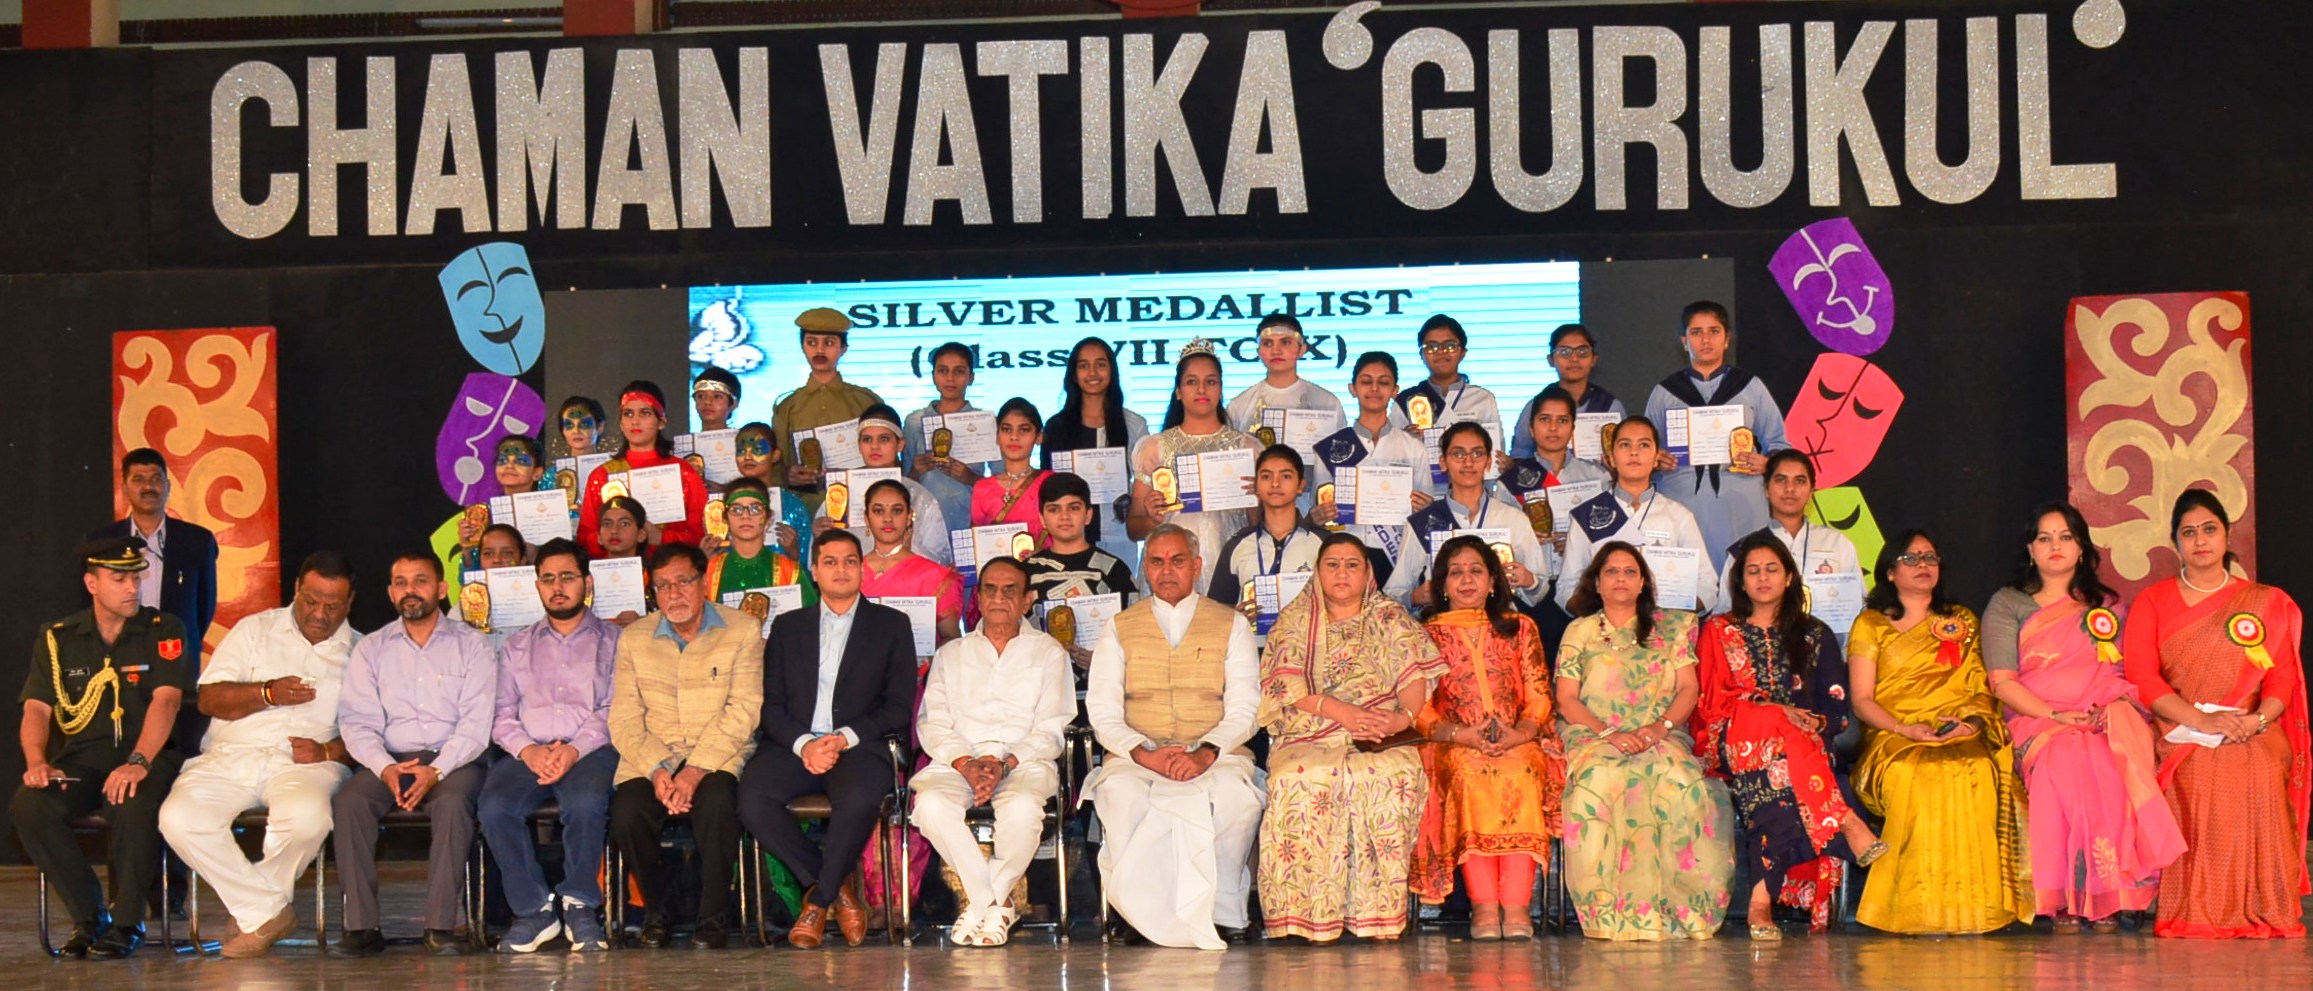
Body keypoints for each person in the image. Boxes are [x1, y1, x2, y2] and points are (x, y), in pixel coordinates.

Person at [1982, 503, 2184, 932]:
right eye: (2044, 538)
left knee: (2109, 759)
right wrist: (2056, 714)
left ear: (2081, 547)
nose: (2055, 546)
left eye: (2065, 537)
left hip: (2100, 716)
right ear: (2030, 549)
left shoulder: (2108, 606)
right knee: (2066, 760)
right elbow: (2002, 683)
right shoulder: (2007, 603)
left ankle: (2112, 894)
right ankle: (2068, 898)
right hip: (2037, 720)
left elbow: (2124, 672)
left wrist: (2107, 707)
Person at [2122, 489, 2310, 938]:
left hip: (2251, 724)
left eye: (2209, 529)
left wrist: (2256, 720)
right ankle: (2195, 910)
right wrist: (2201, 721)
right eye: (2188, 532)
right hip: (2178, 725)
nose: (2200, 540)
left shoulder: (2265, 602)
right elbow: (2142, 677)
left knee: (2259, 765)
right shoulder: (2153, 601)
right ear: (2175, 543)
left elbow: (2281, 678)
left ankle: (2264, 907)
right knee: (2202, 770)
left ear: (2227, 535)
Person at [156, 551, 358, 959]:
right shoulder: (254, 630)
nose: (320, 614)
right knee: (178, 818)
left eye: (333, 606)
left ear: (350, 602)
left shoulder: (364, 650)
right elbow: (209, 699)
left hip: (307, 763)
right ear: (296, 590)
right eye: (311, 601)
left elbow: (374, 733)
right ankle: (265, 911)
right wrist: (267, 693)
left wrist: (327, 749)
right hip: (231, 754)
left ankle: (254, 913)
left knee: (308, 817)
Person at [1693, 533, 1885, 939]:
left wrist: (1815, 724)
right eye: (1753, 571)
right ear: (1740, 581)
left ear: (1789, 577)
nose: (1763, 578)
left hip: (1800, 749)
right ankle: (1844, 819)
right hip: (1734, 740)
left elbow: (1837, 709)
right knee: (1775, 728)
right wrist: (1776, 711)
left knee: (1777, 778)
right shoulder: (1718, 630)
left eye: (1771, 569)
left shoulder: (1814, 633)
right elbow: (1711, 700)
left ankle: (1760, 903)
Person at [11, 537, 196, 959]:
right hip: (85, 758)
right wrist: (38, 763)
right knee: (31, 806)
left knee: (132, 800)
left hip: (149, 756)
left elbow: (167, 700)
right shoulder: (59, 638)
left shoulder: (163, 629)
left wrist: (138, 761)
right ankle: (91, 917)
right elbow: (37, 707)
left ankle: (128, 923)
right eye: (119, 579)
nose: (133, 588)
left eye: (136, 578)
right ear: (91, 584)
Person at [1084, 524, 1265, 949]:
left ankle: (1224, 913)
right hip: (1139, 755)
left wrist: (1206, 752)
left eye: (1178, 560)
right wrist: (1143, 753)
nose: (1167, 570)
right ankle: (1139, 914)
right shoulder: (1118, 627)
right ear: (1145, 568)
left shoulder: (1232, 624)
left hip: (1216, 752)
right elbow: (1102, 711)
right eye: (1157, 561)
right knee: (1121, 796)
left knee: (1235, 799)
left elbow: (1246, 707)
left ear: (1197, 566)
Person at [1256, 534, 1443, 942]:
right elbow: (1286, 686)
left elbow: (1414, 676)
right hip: (1310, 731)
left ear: (1367, 572)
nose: (1342, 573)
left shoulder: (1390, 617)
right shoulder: (1295, 620)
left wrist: (1398, 720)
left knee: (1387, 776)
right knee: (1299, 778)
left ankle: (1377, 916)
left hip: (1379, 731)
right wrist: (1343, 713)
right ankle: (1302, 918)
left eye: (1352, 564)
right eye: (1332, 564)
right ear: (1318, 572)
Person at [740, 530, 919, 950]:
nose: (841, 569)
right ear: (815, 571)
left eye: (850, 561)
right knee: (751, 799)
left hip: (860, 745)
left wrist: (842, 739)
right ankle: (837, 888)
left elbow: (898, 706)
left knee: (858, 798)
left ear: (862, 569)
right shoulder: (788, 627)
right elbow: (770, 705)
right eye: (831, 562)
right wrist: (805, 744)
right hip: (795, 744)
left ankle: (818, 902)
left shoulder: (892, 625)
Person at [1847, 530, 2032, 935]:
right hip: (1893, 736)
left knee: (1976, 769)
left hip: (1956, 732)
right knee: (1916, 774)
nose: (1923, 566)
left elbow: (1980, 689)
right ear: (1890, 572)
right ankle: (1914, 910)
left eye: (1930, 557)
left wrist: (1970, 724)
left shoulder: (1961, 620)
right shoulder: (1870, 623)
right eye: (1911, 559)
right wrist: (1904, 728)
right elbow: (1861, 701)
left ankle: (1976, 910)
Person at [1553, 541, 1735, 941]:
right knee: (1599, 782)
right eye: (1611, 572)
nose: (1620, 579)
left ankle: (1678, 912)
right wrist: (1610, 734)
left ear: (1642, 583)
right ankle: (1611, 913)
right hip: (1594, 735)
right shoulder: (1579, 630)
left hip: (1660, 734)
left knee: (1679, 783)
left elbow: (1688, 689)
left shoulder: (1670, 629)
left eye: (1629, 572)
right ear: (1596, 583)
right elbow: (1566, 699)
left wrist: (1659, 728)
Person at [329, 551, 496, 957]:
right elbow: (357, 722)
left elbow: (476, 725)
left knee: (452, 805)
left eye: (420, 581)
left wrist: (436, 771)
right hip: (391, 759)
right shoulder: (371, 648)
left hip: (454, 760)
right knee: (349, 803)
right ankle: (362, 928)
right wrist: (384, 767)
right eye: (400, 583)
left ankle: (440, 926)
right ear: (390, 593)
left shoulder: (473, 645)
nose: (410, 590)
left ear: (441, 589)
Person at [909, 556, 1075, 947]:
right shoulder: (952, 654)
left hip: (1025, 762)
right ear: (979, 598)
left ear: (1028, 600)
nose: (999, 598)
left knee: (1022, 809)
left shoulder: (1049, 652)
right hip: (958, 761)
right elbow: (932, 723)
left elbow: (1052, 727)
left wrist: (1005, 763)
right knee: (929, 806)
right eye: (990, 589)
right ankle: (995, 903)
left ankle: (982, 905)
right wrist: (966, 763)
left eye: (1010, 590)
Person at [607, 542, 763, 949]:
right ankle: (658, 909)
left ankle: (713, 915)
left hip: (717, 754)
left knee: (717, 804)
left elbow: (744, 711)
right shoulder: (634, 638)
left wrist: (695, 769)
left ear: (704, 582)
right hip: (652, 754)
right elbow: (624, 718)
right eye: (663, 586)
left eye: (683, 582)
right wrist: (657, 769)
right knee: (627, 812)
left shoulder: (742, 629)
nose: (673, 594)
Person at [1409, 536, 1564, 940]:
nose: (1466, 580)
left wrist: (1520, 733)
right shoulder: (1424, 635)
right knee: (1469, 775)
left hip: (1518, 739)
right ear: (1442, 585)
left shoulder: (1520, 627)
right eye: (1456, 572)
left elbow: (1539, 696)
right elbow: (1417, 708)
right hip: (1452, 743)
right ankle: (1483, 906)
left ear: (1493, 581)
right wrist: (1460, 735)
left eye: (1476, 571)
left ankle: (1515, 905)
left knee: (1522, 772)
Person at [478, 538, 621, 954]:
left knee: (586, 803)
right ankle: (534, 910)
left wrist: (573, 750)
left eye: (567, 577)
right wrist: (529, 751)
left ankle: (580, 905)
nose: (558, 587)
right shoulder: (516, 646)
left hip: (592, 750)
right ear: (537, 585)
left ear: (587, 583)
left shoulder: (614, 641)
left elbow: (615, 707)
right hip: (529, 752)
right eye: (548, 579)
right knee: (494, 807)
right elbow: (501, 713)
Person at [1645, 302, 1787, 572]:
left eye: (1714, 331)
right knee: (1683, 577)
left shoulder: (1751, 387)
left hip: (1741, 501)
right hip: (1681, 499)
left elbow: (1779, 443)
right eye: (1696, 332)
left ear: (1727, 338)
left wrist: (1768, 463)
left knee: (1744, 577)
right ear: (1684, 340)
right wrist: (1656, 459)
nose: (1706, 340)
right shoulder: (1665, 393)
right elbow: (1646, 448)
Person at [1128, 342, 1263, 594]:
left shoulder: (1248, 448)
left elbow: (1259, 530)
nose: (1201, 389)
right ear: (1178, 391)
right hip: (1171, 567)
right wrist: (1152, 518)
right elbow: (1134, 530)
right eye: (1192, 382)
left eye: (1210, 382)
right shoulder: (1154, 447)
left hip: (1230, 563)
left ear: (1220, 389)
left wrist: (1256, 500)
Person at [1558, 416, 1720, 614]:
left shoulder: (1679, 516)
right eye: (1625, 445)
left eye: (1644, 445)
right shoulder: (1587, 515)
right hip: (1603, 627)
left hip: (1662, 627)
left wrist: (1668, 617)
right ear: (1610, 458)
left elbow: (1707, 585)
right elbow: (1567, 588)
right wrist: (1605, 615)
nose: (1634, 452)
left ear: (1656, 458)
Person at [1383, 421, 1549, 613]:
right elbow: (1392, 593)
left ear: (1488, 462)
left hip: (1499, 624)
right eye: (1458, 454)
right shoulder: (1421, 522)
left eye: (1477, 454)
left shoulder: (1514, 519)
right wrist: (1415, 597)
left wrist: (1529, 581)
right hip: (1441, 625)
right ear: (1443, 462)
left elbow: (1540, 591)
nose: (1468, 462)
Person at [87, 447, 218, 688]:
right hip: (117, 653)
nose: (148, 487)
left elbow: (204, 606)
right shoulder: (101, 541)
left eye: (156, 479)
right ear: (125, 488)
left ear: (168, 486)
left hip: (177, 655)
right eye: (138, 479)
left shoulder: (197, 540)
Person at [1499, 385, 1613, 656]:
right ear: (1531, 428)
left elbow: (1610, 540)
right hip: (1533, 589)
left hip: (1583, 588)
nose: (1553, 428)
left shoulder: (1597, 478)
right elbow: (1503, 543)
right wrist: (1527, 540)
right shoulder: (1510, 482)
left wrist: (1577, 542)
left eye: (1562, 420)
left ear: (1573, 428)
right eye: (1544, 420)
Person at [1310, 351, 1433, 581]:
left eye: (1383, 382)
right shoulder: (1331, 448)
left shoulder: (1414, 448)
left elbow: (1425, 513)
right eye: (1366, 381)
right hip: (1347, 557)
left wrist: (1426, 509)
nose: (1374, 388)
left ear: (1395, 390)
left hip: (1399, 557)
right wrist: (1318, 515)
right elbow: (1321, 510)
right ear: (1353, 389)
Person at [1041, 336, 1151, 569]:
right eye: (1084, 366)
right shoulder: (1056, 427)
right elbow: (1048, 486)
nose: (1092, 373)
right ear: (1074, 374)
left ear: (1112, 370)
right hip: (1069, 537)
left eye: (1100, 364)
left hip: (1121, 536)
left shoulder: (1134, 425)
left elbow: (1145, 482)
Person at [1717, 450, 1863, 623]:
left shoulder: (1837, 544)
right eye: (1781, 480)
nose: (1790, 489)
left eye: (1799, 481)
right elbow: (1724, 615)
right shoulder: (1744, 550)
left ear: (1811, 491)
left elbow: (1859, 608)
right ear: (1766, 489)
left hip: (1824, 638)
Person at [1208, 445, 1328, 644]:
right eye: (1266, 476)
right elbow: (1215, 610)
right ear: (1256, 486)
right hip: (1252, 651)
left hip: (1309, 650)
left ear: (1301, 485)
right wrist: (1234, 617)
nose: (1275, 483)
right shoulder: (1237, 546)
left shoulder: (1324, 544)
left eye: (1286, 476)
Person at [1021, 472, 1139, 671]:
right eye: (1054, 509)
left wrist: (1107, 661)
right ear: (1042, 518)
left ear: (1088, 515)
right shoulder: (1026, 572)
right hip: (1041, 684)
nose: (1064, 516)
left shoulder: (1114, 569)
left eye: (1074, 508)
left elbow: (1135, 631)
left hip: (1101, 685)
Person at [577, 381, 709, 557]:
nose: (635, 421)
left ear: (661, 422)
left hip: (672, 569)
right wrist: (616, 536)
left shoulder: (684, 472)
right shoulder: (602, 476)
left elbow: (702, 535)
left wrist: (661, 537)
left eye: (645, 413)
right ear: (621, 423)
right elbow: (585, 539)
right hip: (619, 570)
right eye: (628, 414)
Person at [813, 403, 954, 566]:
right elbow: (819, 562)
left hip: (905, 579)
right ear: (859, 446)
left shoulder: (919, 496)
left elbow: (940, 561)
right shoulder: (840, 494)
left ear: (900, 444)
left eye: (884, 439)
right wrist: (819, 536)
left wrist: (906, 546)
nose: (874, 446)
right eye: (867, 439)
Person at [772, 307, 885, 507]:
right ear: (802, 347)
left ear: (843, 348)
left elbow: (888, 462)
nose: (820, 350)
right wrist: (787, 475)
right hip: (807, 509)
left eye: (829, 343)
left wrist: (851, 475)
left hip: (860, 506)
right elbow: (774, 465)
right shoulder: (787, 407)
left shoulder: (866, 402)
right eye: (811, 342)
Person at [1224, 315, 1347, 477]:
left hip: (1313, 492)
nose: (1276, 350)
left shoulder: (1327, 403)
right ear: (1259, 351)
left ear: (1302, 349)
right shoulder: (1239, 405)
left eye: (1285, 342)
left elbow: (1342, 463)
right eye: (1268, 343)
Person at [903, 342, 989, 537]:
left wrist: (970, 478)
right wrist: (916, 470)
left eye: (959, 371)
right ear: (933, 375)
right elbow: (904, 484)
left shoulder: (984, 421)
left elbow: (1001, 484)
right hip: (925, 525)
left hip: (970, 523)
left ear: (971, 378)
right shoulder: (914, 422)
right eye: (942, 371)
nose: (950, 378)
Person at [1511, 324, 1624, 458]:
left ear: (1593, 359)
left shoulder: (1610, 406)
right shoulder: (1536, 406)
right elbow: (1520, 454)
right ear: (1551, 360)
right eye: (1564, 352)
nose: (1574, 359)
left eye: (1582, 351)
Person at [706, 477, 817, 611]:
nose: (745, 516)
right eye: (736, 509)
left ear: (768, 519)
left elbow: (811, 618)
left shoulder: (790, 571)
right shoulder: (709, 572)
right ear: (725, 520)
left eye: (755, 509)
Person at [1394, 314, 1503, 448]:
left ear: (1463, 352)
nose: (1441, 352)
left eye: (1450, 346)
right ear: (1421, 355)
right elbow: (1389, 452)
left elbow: (1494, 453)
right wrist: (1404, 440)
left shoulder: (1483, 399)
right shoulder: (1406, 400)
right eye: (1431, 346)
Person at [720, 420, 811, 565]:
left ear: (775, 455)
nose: (748, 457)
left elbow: (806, 564)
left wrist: (794, 552)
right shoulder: (723, 505)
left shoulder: (793, 505)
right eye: (741, 451)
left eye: (757, 450)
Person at [971, 398, 1054, 543]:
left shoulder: (1051, 483)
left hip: (1044, 558)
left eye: (1024, 430)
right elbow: (978, 543)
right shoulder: (982, 488)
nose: (1014, 437)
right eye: (1006, 429)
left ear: (1039, 437)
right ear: (997, 436)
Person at [692, 365, 741, 433]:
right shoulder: (684, 440)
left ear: (733, 404)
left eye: (717, 396)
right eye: (701, 396)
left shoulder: (745, 439)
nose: (707, 402)